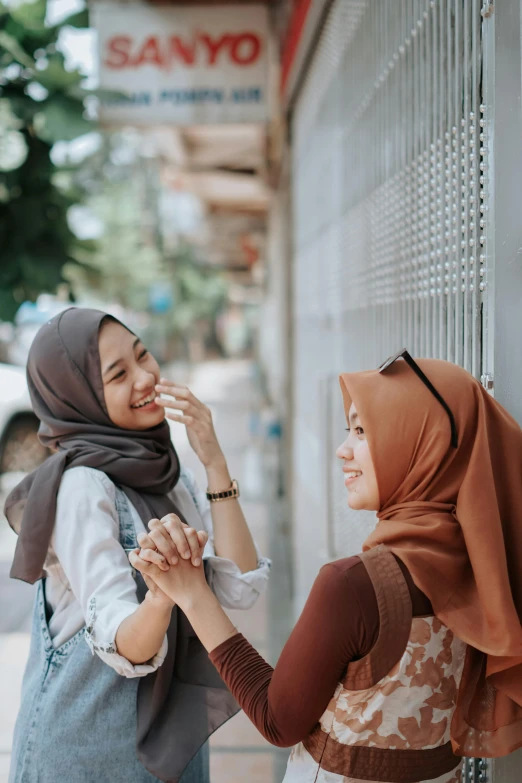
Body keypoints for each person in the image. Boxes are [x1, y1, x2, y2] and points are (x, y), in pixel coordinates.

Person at [131, 352, 522, 783]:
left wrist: (192, 593)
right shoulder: (490, 566)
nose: (342, 450)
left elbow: (278, 721)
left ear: (418, 441)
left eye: (361, 430)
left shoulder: (354, 586)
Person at [5, 307, 270, 783]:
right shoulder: (83, 487)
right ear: (78, 395)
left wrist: (213, 461)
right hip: (88, 750)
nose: (147, 377)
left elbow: (239, 588)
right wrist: (163, 594)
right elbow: (123, 644)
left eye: (143, 355)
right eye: (118, 374)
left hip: (174, 744)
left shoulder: (166, 470)